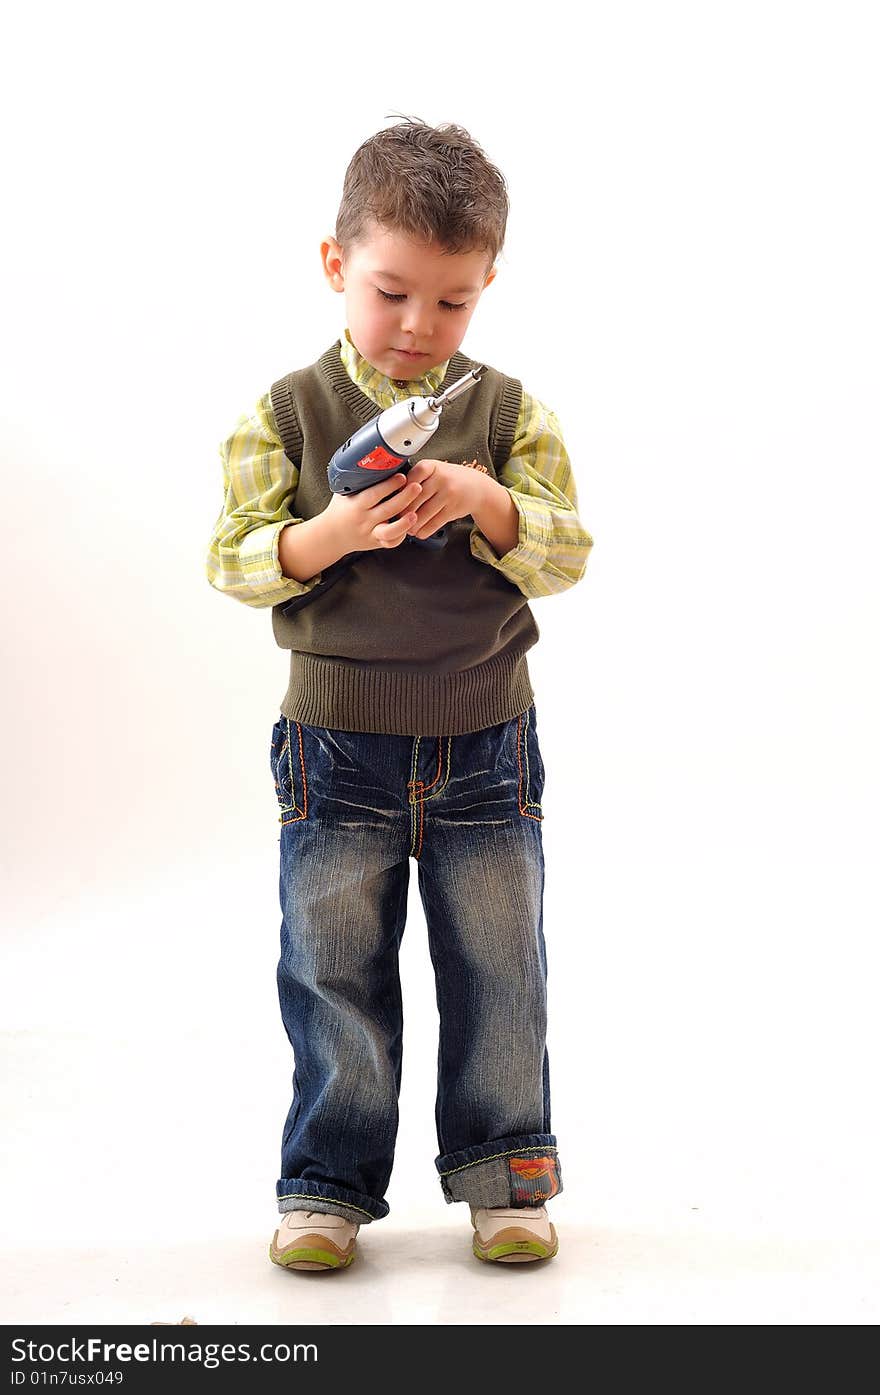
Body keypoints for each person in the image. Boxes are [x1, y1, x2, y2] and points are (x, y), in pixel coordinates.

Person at [206, 117, 594, 1272]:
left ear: (484, 288)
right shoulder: (282, 413)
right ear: (337, 265)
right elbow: (230, 557)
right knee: (332, 972)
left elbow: (568, 554)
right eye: (392, 293)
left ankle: (505, 1177)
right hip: (336, 747)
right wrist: (323, 535)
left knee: (499, 967)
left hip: (486, 741)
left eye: (453, 301)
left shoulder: (510, 413)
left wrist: (485, 501)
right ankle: (325, 1186)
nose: (420, 326)